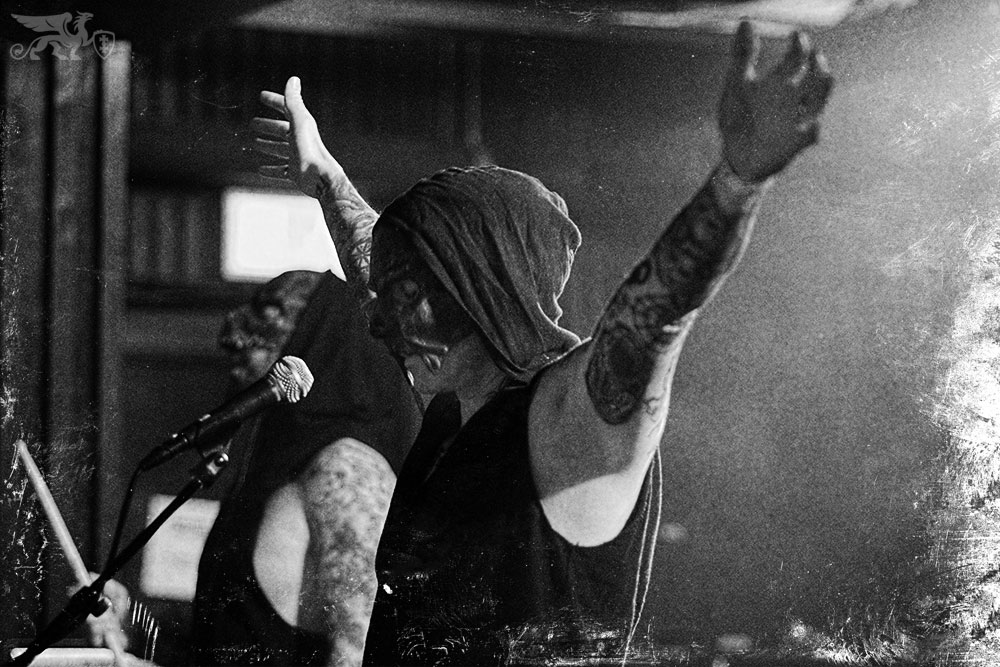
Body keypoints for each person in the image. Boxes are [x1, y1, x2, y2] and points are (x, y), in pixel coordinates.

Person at [252, 20, 833, 665]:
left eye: (403, 292)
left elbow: (658, 314)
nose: (377, 321)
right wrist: (327, 180)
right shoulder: (455, 406)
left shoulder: (567, 416)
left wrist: (737, 182)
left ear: (477, 286)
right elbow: (376, 272)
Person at [191, 269, 422, 666]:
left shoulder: (346, 472)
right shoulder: (278, 465)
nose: (239, 337)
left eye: (273, 312)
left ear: (320, 344)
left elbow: (358, 651)